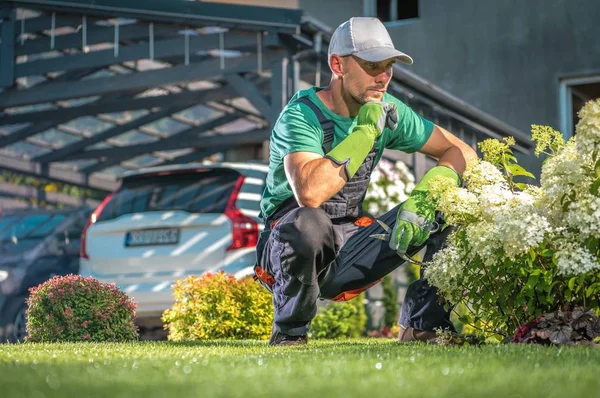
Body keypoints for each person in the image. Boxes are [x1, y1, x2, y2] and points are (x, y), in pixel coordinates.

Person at [254, 17, 478, 346]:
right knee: (309, 222)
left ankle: (423, 326)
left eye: (388, 66)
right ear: (337, 64)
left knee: (452, 206)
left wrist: (430, 192)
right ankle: (290, 332)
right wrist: (365, 131)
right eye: (373, 65)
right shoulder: (301, 115)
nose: (383, 75)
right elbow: (310, 194)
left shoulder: (388, 110)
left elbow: (462, 152)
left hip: (349, 242)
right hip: (288, 249)